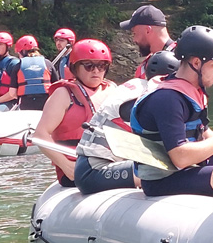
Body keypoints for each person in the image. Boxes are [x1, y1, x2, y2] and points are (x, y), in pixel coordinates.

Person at [129, 26, 213, 201]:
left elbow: (204, 134)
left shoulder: (193, 91)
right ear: (196, 63)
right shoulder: (167, 99)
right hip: (162, 180)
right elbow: (180, 157)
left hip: (188, 169)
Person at [73, 50, 179, 194]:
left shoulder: (139, 86)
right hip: (93, 172)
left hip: (89, 165)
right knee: (172, 172)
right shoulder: (149, 98)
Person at [34, 39, 118, 186]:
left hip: (109, 163)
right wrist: (66, 165)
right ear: (75, 68)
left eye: (102, 66)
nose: (96, 71)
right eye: (89, 66)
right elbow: (40, 135)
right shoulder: (63, 94)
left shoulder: (113, 91)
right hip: (77, 168)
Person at [120, 4, 177, 79]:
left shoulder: (183, 59)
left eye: (135, 33)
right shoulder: (145, 66)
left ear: (147, 30)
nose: (134, 40)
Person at [14, 35, 53, 111]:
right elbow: (55, 85)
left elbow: (12, 92)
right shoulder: (47, 63)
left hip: (26, 104)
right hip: (45, 103)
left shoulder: (18, 65)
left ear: (23, 52)